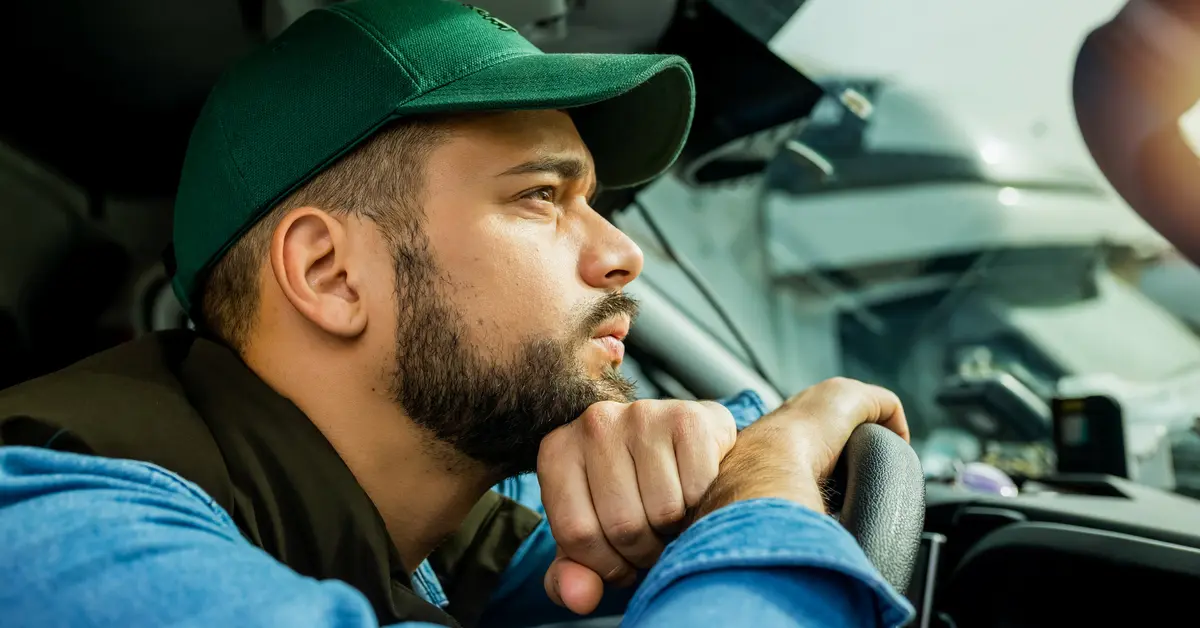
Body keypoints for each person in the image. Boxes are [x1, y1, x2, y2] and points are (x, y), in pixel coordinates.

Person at [0, 1, 915, 626]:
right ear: (331, 274)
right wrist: (767, 482)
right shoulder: (54, 532)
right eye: (539, 197)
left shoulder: (445, 519)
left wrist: (725, 445)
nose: (621, 254)